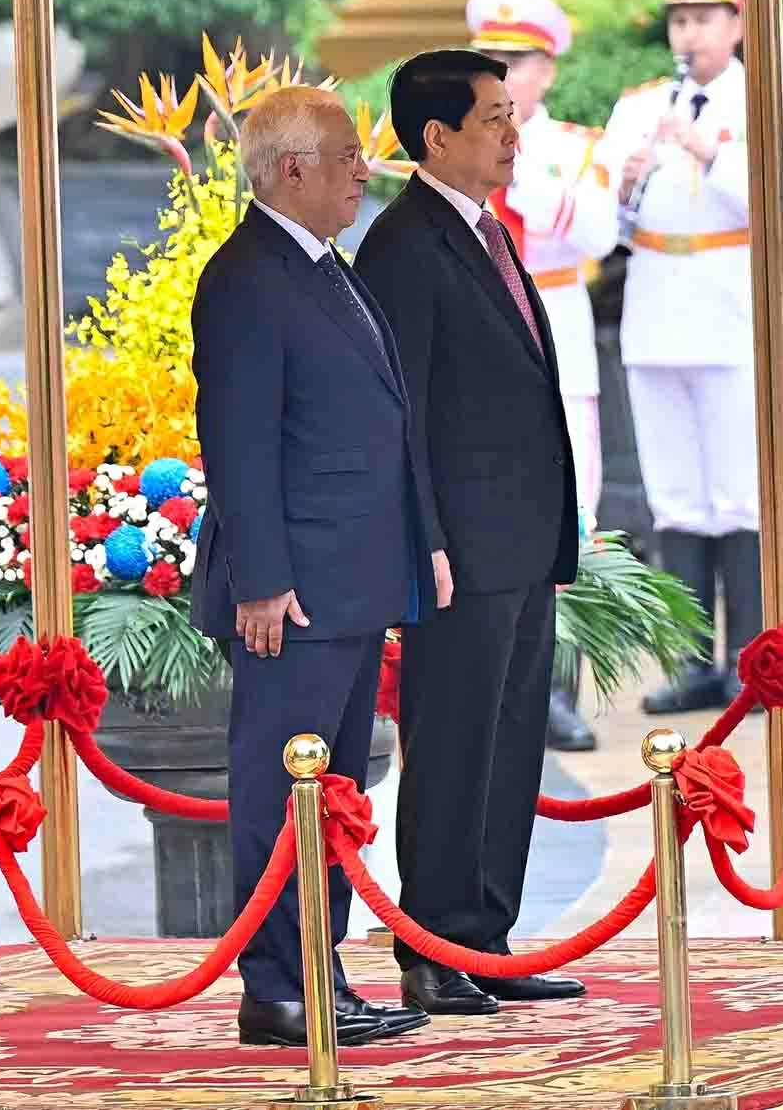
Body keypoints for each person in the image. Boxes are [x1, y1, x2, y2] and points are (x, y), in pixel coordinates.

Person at [189, 85, 440, 1050]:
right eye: (343, 157)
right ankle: (280, 987)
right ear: (289, 169)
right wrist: (260, 576)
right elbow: (239, 441)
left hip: (349, 573)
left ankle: (319, 970)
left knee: (331, 788)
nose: (360, 172)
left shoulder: (325, 267)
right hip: (290, 588)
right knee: (282, 783)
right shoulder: (249, 274)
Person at [353, 48, 588, 1016]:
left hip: (520, 544)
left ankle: (485, 939)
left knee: (507, 744)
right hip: (460, 552)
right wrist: (425, 539)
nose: (511, 133)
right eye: (492, 118)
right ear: (436, 136)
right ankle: (433, 946)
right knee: (450, 747)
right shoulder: (405, 245)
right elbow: (396, 411)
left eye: (510, 114)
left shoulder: (486, 232)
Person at [606, 0, 762, 713]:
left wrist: (709, 153)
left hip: (730, 314)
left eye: (704, 19)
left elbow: (782, 207)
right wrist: (625, 185)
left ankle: (755, 663)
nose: (689, 36)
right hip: (657, 312)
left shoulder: (761, 100)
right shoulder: (637, 106)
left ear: (736, 23)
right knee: (675, 499)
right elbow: (604, 227)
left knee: (739, 496)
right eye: (679, 21)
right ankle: (692, 660)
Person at [466, 0, 618, 753]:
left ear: (546, 71)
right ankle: (491, 683)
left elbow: (589, 231)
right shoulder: (445, 146)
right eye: (488, 59)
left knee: (568, 519)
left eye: (514, 61)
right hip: (476, 351)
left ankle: (556, 689)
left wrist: (514, 158)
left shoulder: (575, 148)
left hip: (555, 336)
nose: (500, 73)